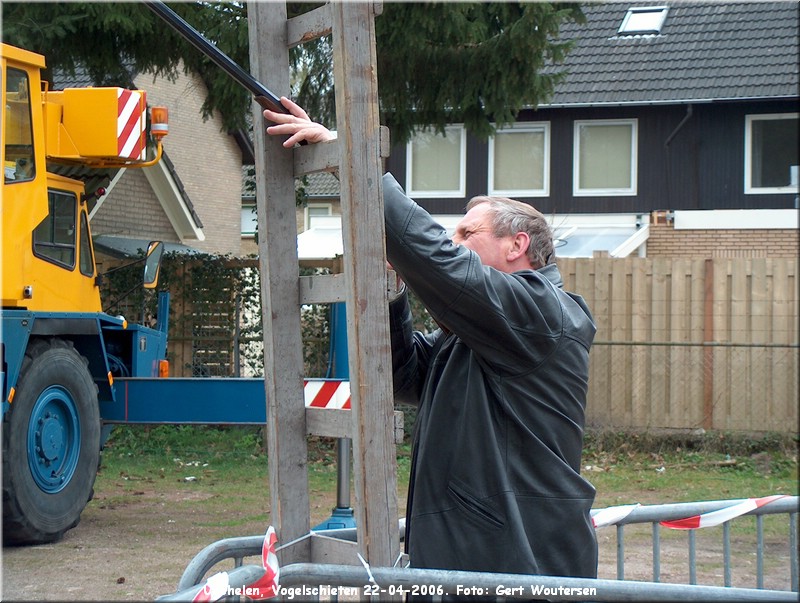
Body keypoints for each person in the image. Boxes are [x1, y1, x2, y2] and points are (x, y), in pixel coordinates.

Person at [264, 98, 598, 580]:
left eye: (468, 232)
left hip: (519, 564)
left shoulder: (543, 312)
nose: (456, 241)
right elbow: (405, 375)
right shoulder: (481, 334)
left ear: (517, 244)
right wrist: (395, 290)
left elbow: (445, 265)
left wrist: (350, 161)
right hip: (475, 558)